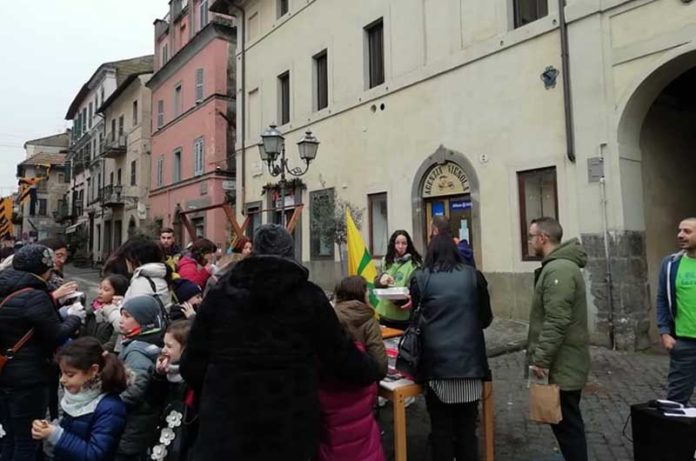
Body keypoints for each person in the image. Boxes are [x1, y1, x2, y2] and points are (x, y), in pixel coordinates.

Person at [180, 224, 384, 461]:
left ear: (254, 251)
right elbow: (341, 357)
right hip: (288, 430)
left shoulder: (221, 294)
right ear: (290, 252)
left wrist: (220, 390)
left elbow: (191, 365)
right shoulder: (309, 297)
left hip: (225, 429)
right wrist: (372, 368)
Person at [408, 235, 491, 461]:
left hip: (437, 366)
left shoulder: (420, 278)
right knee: (467, 429)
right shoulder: (474, 276)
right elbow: (485, 318)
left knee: (441, 429)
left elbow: (414, 321)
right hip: (469, 365)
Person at [0, 244, 83, 461]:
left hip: (4, 372)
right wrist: (74, 317)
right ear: (44, 269)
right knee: (27, 440)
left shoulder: (5, 286)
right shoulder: (35, 295)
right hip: (29, 378)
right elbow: (56, 334)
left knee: (8, 436)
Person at [526, 217, 590, 461]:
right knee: (565, 422)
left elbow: (556, 320)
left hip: (563, 363)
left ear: (543, 238)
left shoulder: (559, 270)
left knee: (567, 424)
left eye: (531, 236)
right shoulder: (556, 267)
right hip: (563, 362)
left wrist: (541, 360)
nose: (530, 241)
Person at [317, 276, 387, 461]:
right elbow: (381, 366)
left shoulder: (328, 317)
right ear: (361, 293)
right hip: (362, 399)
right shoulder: (368, 319)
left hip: (331, 406)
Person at [31, 337, 127, 461]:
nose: (62, 380)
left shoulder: (110, 408)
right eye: (61, 373)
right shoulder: (78, 395)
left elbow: (95, 454)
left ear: (93, 370)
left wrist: (55, 434)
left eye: (70, 374)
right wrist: (50, 428)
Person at [116, 295, 166, 461]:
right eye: (122, 315)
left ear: (144, 321)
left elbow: (136, 387)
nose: (121, 320)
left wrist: (111, 404)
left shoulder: (137, 351)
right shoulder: (143, 343)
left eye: (127, 316)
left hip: (133, 424)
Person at [656, 217, 696, 404]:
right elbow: (662, 299)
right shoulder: (671, 264)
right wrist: (664, 332)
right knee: (676, 401)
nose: (680, 235)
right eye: (680, 230)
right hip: (684, 342)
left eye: (687, 231)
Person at [152, 320, 197, 461]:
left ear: (185, 349)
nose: (163, 350)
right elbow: (153, 401)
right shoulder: (166, 373)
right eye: (164, 344)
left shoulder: (193, 379)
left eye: (169, 346)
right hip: (161, 439)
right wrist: (158, 376)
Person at [374, 230, 422, 330]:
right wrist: (380, 281)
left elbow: (416, 291)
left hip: (404, 317)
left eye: (404, 243)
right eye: (397, 243)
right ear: (393, 244)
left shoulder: (415, 264)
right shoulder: (385, 260)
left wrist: (402, 300)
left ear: (408, 245)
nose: (400, 246)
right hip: (385, 314)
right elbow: (376, 283)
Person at [81, 274, 130, 352]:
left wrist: (95, 353)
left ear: (117, 293)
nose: (100, 292)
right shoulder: (94, 308)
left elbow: (113, 343)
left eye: (106, 290)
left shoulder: (119, 315)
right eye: (100, 288)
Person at [121, 236, 171, 308]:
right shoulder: (156, 277)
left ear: (135, 259)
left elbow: (132, 313)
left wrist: (110, 308)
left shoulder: (141, 283)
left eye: (127, 258)